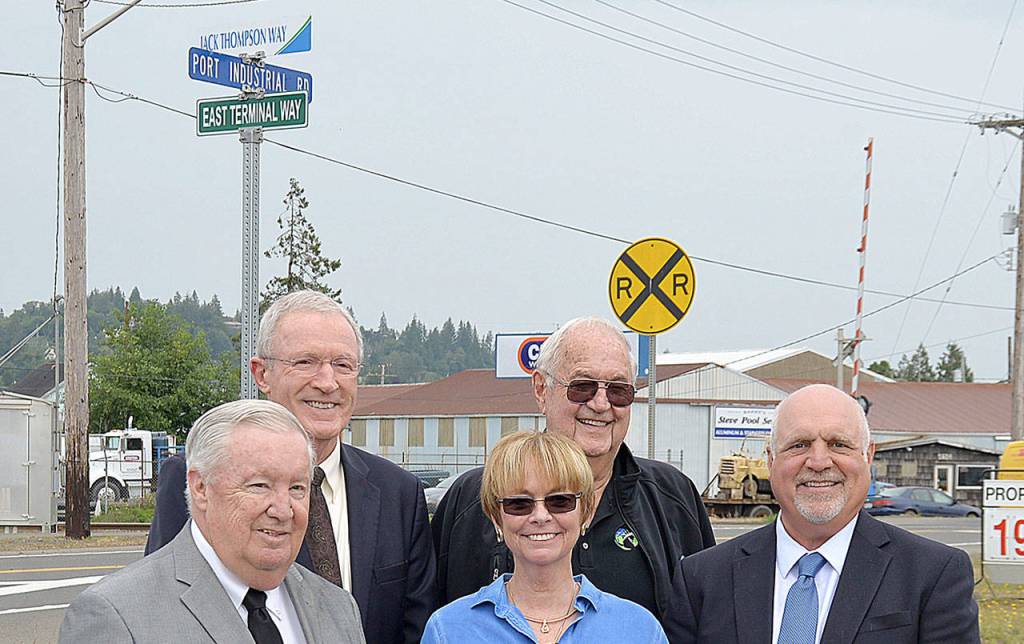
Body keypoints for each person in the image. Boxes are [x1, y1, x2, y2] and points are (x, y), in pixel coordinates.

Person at [144, 290, 436, 644]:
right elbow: (166, 611)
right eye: (306, 362)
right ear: (262, 374)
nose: (327, 383)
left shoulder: (399, 493)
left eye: (343, 365)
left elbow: (417, 630)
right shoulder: (203, 476)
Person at [432, 317, 715, 629]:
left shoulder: (672, 498)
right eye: (583, 387)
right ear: (541, 390)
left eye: (619, 390)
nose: (600, 403)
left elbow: (709, 617)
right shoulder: (475, 497)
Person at [669, 384, 980, 644]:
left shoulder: (934, 575)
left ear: (867, 455)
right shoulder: (702, 578)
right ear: (771, 458)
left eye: (839, 444)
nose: (818, 461)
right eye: (799, 444)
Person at [60, 400, 365, 643]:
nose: (284, 510)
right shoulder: (116, 616)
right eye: (260, 485)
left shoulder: (337, 607)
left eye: (297, 488)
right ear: (201, 487)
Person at [423, 430, 668, 643]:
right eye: (519, 503)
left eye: (560, 501)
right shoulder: (448, 630)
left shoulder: (639, 629)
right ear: (496, 518)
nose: (540, 516)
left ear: (584, 513)